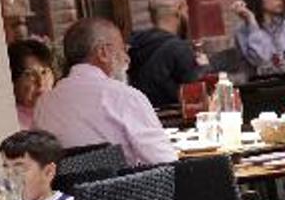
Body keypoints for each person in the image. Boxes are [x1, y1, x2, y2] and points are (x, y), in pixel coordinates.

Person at [33, 17, 177, 167]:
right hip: (125, 182)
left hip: (66, 183)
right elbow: (166, 162)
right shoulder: (125, 97)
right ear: (103, 53)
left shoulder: (44, 104)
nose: (127, 59)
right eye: (123, 50)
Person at [128, 0, 209, 107]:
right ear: (178, 10)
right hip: (174, 116)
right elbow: (195, 97)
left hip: (143, 114)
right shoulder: (179, 49)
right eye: (186, 11)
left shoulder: (133, 47)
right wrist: (203, 69)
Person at [9, 39, 56, 129]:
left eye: (44, 72)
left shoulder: (63, 109)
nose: (41, 82)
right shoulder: (12, 122)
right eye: (29, 75)